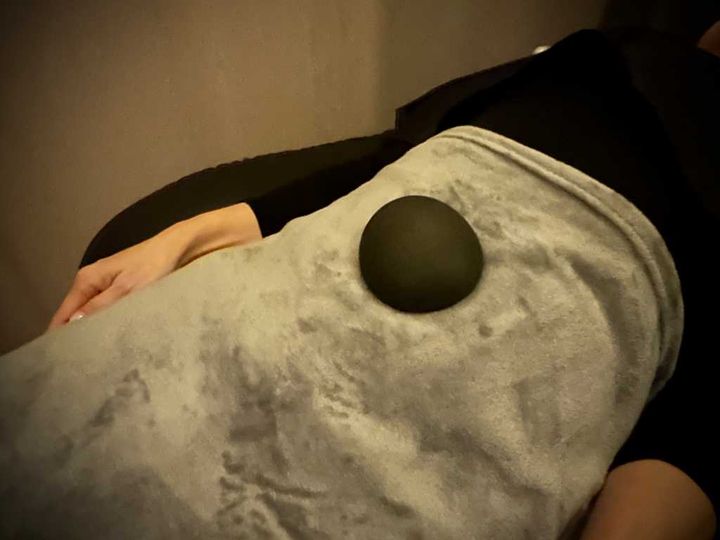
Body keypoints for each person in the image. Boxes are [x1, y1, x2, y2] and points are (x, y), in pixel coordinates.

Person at [47, 25, 720, 539]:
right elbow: (378, 167)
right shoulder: (597, 57)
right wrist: (181, 239)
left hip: (526, 352)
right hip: (301, 277)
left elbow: (692, 437)